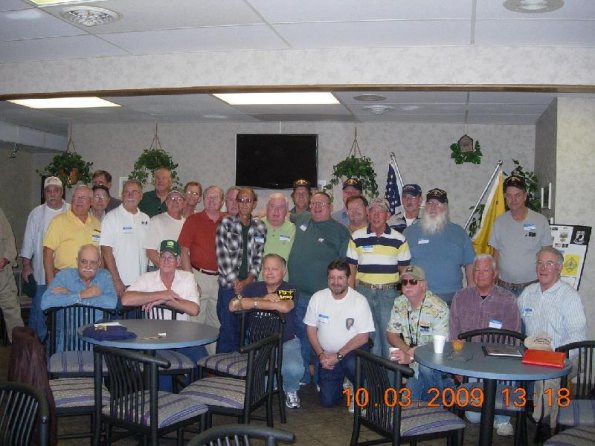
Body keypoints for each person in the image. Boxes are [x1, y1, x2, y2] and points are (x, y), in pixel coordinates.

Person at [449, 254, 521, 436]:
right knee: (474, 417)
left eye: (486, 270)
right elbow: (454, 333)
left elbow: (513, 338)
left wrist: (501, 365)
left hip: (499, 363)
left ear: (495, 274)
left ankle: (502, 419)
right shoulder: (461, 296)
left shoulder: (508, 299)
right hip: (470, 364)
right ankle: (491, 412)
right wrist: (457, 366)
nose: (480, 274)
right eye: (477, 270)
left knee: (501, 405)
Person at [287, 191, 350, 385]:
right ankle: (303, 377)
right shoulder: (303, 218)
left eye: (321, 203)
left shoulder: (340, 232)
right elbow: (282, 214)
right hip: (294, 293)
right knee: (299, 336)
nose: (316, 206)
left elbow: (346, 267)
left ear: (330, 207)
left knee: (320, 338)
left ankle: (322, 380)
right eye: (313, 203)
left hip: (322, 297)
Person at [229, 254, 305, 409]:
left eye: (274, 269)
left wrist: (250, 303)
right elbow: (233, 305)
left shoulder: (289, 289)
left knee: (293, 369)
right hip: (259, 344)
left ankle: (291, 390)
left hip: (286, 342)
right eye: (266, 268)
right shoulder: (253, 288)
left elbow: (284, 307)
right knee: (258, 390)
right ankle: (274, 381)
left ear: (283, 272)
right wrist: (263, 299)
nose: (269, 272)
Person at [122, 240, 207, 373]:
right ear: (159, 259)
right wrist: (161, 294)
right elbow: (125, 300)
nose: (166, 261)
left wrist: (165, 300)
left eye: (171, 257)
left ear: (178, 261)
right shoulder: (147, 278)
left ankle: (190, 386)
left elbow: (194, 309)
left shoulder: (187, 278)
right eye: (163, 257)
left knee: (203, 361)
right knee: (162, 367)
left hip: (182, 337)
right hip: (155, 339)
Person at [304, 259, 374, 407]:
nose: (336, 282)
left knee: (351, 364)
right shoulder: (318, 298)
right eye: (332, 277)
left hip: (351, 353)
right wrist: (321, 355)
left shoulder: (359, 301)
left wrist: (339, 355)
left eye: (340, 278)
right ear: (327, 279)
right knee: (328, 401)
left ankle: (357, 386)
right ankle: (343, 381)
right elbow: (310, 330)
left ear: (348, 279)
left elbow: (363, 337)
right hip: (327, 356)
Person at [347, 197, 411, 358]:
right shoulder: (356, 237)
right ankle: (372, 374)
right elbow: (351, 268)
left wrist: (401, 296)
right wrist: (351, 294)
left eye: (380, 212)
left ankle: (390, 375)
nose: (376, 215)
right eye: (373, 211)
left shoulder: (399, 239)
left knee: (390, 337)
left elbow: (404, 271)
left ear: (388, 215)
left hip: (389, 294)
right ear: (368, 214)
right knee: (369, 337)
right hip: (364, 292)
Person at [386, 265, 452, 401]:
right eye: (404, 282)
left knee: (425, 369)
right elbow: (391, 334)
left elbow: (440, 344)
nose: (408, 285)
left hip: (434, 363)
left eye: (413, 281)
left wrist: (412, 356)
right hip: (413, 366)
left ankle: (441, 398)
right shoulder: (399, 303)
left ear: (424, 285)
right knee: (407, 406)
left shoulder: (438, 307)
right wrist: (408, 352)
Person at [215, 187, 266, 353]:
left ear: (254, 204)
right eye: (241, 200)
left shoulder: (260, 226)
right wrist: (236, 282)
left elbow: (258, 257)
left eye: (248, 200)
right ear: (237, 203)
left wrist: (248, 281)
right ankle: (221, 367)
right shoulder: (226, 224)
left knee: (244, 332)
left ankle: (239, 367)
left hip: (250, 288)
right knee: (228, 331)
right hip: (229, 288)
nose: (244, 204)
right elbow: (222, 255)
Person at [404, 188, 475, 305]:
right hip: (419, 297)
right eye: (430, 203)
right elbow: (402, 266)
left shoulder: (459, 233)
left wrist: (472, 290)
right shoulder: (410, 233)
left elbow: (470, 263)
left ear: (445, 208)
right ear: (425, 206)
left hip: (453, 298)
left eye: (438, 204)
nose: (433, 207)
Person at [20, 176, 69, 340]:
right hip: (41, 274)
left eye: (56, 190)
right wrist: (26, 266)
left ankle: (60, 346)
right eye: (49, 191)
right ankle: (36, 347)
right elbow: (28, 241)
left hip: (66, 275)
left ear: (62, 192)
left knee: (64, 314)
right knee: (39, 313)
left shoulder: (71, 211)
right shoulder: (36, 213)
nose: (52, 194)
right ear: (44, 193)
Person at [490, 175, 553, 297]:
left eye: (517, 195)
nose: (513, 199)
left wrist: (548, 281)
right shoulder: (499, 222)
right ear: (505, 197)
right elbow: (496, 254)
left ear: (525, 196)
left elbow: (548, 253)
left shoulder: (540, 221)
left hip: (532, 286)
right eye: (509, 195)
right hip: (504, 287)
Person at [179, 185, 226, 346]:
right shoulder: (193, 220)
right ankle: (194, 359)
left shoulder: (228, 220)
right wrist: (191, 280)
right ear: (203, 200)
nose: (211, 200)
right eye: (208, 197)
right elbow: (183, 251)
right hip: (198, 276)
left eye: (215, 197)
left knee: (216, 323)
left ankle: (211, 360)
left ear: (222, 201)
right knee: (195, 322)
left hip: (220, 279)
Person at [518, 247, 586, 350]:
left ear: (559, 268)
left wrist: (554, 353)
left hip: (557, 356)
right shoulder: (528, 292)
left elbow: (578, 338)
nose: (543, 268)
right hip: (530, 355)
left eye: (549, 263)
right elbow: (513, 319)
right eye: (540, 263)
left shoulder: (570, 297)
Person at [100, 180, 150, 298]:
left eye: (134, 192)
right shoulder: (111, 217)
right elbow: (106, 251)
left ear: (141, 196)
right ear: (122, 195)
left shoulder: (146, 219)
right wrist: (116, 280)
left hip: (141, 284)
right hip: (120, 285)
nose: (130, 195)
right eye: (126, 192)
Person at [43, 184, 101, 286]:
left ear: (91, 202)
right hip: (64, 280)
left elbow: (100, 254)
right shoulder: (58, 221)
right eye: (76, 197)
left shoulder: (96, 223)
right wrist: (51, 283)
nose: (78, 200)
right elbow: (47, 253)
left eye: (83, 198)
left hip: (90, 282)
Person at [40, 244, 117, 312]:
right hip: (69, 324)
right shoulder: (64, 276)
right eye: (84, 261)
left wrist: (70, 294)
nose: (88, 266)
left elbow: (111, 303)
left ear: (99, 263)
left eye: (93, 262)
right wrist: (81, 295)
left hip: (97, 324)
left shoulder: (104, 276)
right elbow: (45, 302)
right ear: (77, 261)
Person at [0, 207, 24, 343]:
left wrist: (6, 259)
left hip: (2, 275)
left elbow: (9, 239)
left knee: (12, 312)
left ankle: (20, 350)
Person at [145, 189, 186, 268]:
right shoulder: (156, 220)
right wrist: (167, 270)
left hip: (179, 270)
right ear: (166, 202)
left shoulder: (186, 223)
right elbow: (150, 252)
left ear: (184, 204)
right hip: (158, 269)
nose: (175, 202)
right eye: (172, 198)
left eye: (179, 199)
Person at [262, 193, 295, 280]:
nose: (276, 211)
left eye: (281, 207)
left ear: (287, 210)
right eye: (272, 206)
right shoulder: (255, 226)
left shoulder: (293, 229)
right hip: (257, 282)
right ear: (267, 208)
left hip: (283, 283)